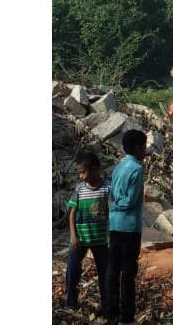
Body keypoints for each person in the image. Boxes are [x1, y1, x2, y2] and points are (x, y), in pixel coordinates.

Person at [107, 129, 147, 323]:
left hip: (114, 224)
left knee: (113, 270)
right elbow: (130, 201)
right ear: (138, 148)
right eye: (144, 147)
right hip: (130, 227)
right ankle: (127, 316)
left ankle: (111, 312)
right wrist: (118, 203)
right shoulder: (137, 169)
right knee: (128, 273)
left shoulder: (118, 167)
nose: (146, 151)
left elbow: (112, 193)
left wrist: (114, 203)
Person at [64, 150, 111, 314]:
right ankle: (70, 304)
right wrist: (74, 237)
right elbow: (72, 214)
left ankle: (106, 306)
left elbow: (112, 210)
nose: (81, 176)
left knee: (105, 275)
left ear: (95, 169)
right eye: (79, 173)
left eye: (83, 172)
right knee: (72, 271)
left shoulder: (107, 188)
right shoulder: (79, 189)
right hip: (80, 240)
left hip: (100, 241)